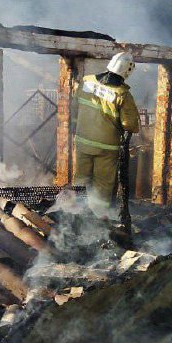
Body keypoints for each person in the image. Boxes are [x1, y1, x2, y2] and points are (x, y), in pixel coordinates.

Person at [74, 51, 140, 218]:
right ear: (128, 71)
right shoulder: (122, 94)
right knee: (102, 185)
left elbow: (75, 106)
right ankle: (97, 218)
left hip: (82, 143)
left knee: (81, 180)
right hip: (106, 148)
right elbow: (130, 125)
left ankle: (76, 214)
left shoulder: (87, 81)